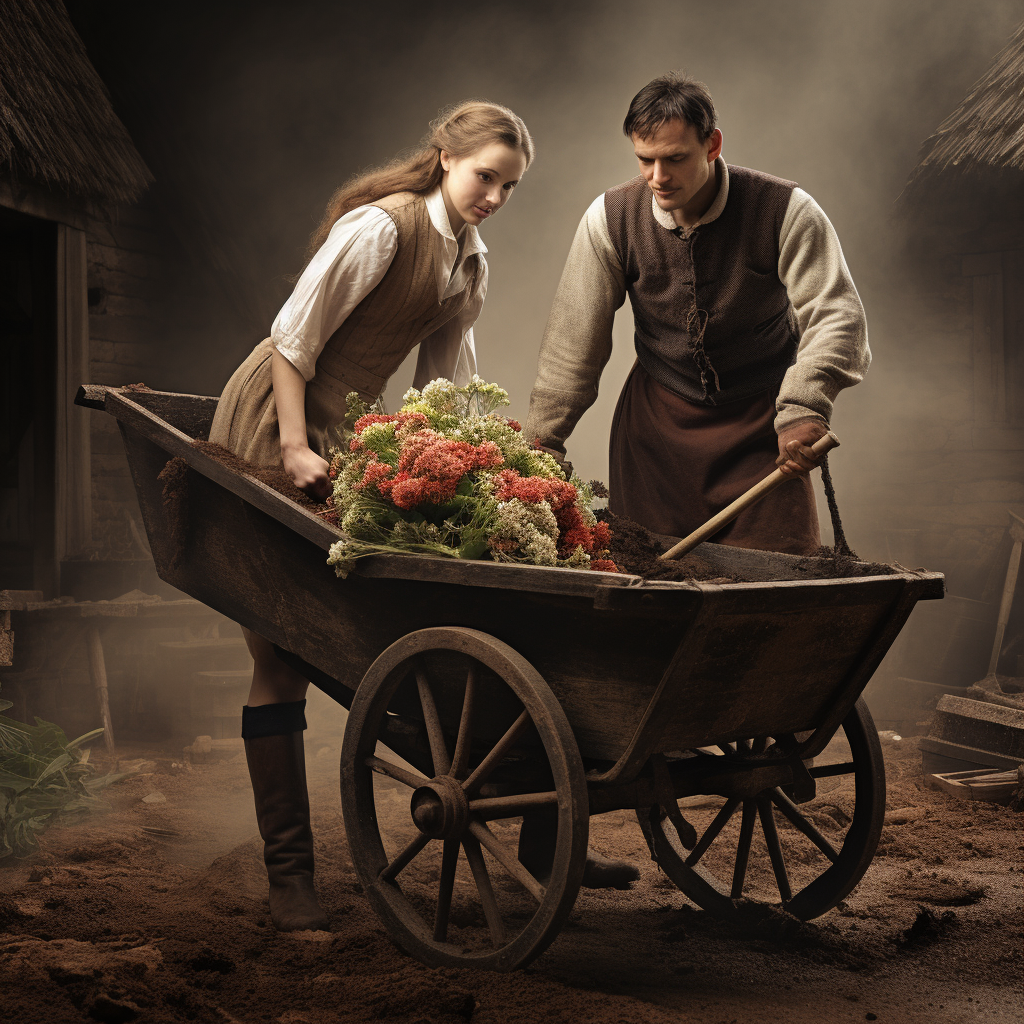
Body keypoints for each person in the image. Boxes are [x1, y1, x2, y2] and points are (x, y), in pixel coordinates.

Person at [209, 100, 534, 931]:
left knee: (378, 619)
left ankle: (512, 816)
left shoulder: (469, 260)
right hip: (271, 420)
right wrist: (290, 447)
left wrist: (479, 469)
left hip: (347, 437)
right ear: (445, 156)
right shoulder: (382, 229)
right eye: (484, 177)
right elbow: (292, 341)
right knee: (281, 649)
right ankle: (290, 882)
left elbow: (443, 391)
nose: (493, 197)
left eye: (509, 186)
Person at [523, 73, 870, 554]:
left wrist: (804, 407)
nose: (658, 177)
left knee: (771, 591)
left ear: (712, 145)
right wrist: (542, 443)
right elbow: (572, 343)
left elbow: (836, 316)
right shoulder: (609, 219)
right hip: (654, 438)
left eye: (675, 158)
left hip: (762, 429)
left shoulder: (786, 209)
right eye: (645, 160)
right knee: (649, 586)